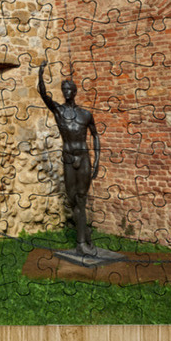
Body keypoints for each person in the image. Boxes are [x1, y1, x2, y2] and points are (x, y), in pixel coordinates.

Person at [37, 61, 101, 255]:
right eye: (63, 89)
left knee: (81, 199)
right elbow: (43, 94)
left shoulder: (85, 114)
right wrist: (40, 73)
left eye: (68, 89)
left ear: (74, 92)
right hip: (68, 158)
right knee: (72, 198)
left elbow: (95, 135)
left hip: (83, 158)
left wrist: (97, 161)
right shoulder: (59, 111)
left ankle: (81, 243)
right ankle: (85, 232)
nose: (65, 92)